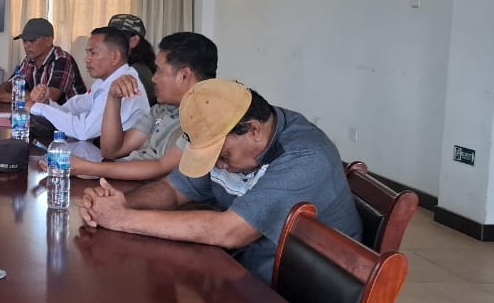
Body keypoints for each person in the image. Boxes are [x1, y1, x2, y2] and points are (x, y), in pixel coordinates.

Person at [78, 80, 363, 284]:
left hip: (303, 300)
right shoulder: (230, 131)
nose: (218, 166)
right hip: (244, 274)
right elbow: (173, 189)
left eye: (223, 156)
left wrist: (121, 219)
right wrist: (120, 202)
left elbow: (230, 231)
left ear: (254, 131)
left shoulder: (304, 158)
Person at [40, 32, 216, 181]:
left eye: (159, 70)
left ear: (184, 76)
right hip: (127, 181)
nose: (153, 78)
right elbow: (112, 151)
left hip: (153, 193)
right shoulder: (161, 110)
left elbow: (160, 167)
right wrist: (113, 98)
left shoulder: (206, 118)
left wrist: (87, 167)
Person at [27, 26, 150, 160]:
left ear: (115, 57)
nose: (87, 59)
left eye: (93, 53)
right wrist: (47, 103)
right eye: (87, 53)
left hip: (119, 164)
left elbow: (83, 131)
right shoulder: (104, 82)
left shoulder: (124, 85)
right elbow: (73, 108)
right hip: (97, 153)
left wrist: (39, 108)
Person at [0, 17, 85, 104]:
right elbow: (13, 83)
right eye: (24, 41)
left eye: (32, 40)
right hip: (45, 115)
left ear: (48, 41)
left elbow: (49, 98)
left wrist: (2, 97)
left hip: (71, 117)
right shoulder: (29, 60)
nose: (26, 45)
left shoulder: (62, 60)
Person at [108, 14, 158, 105]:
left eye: (114, 39)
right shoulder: (130, 67)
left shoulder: (134, 73)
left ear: (133, 41)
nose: (108, 44)